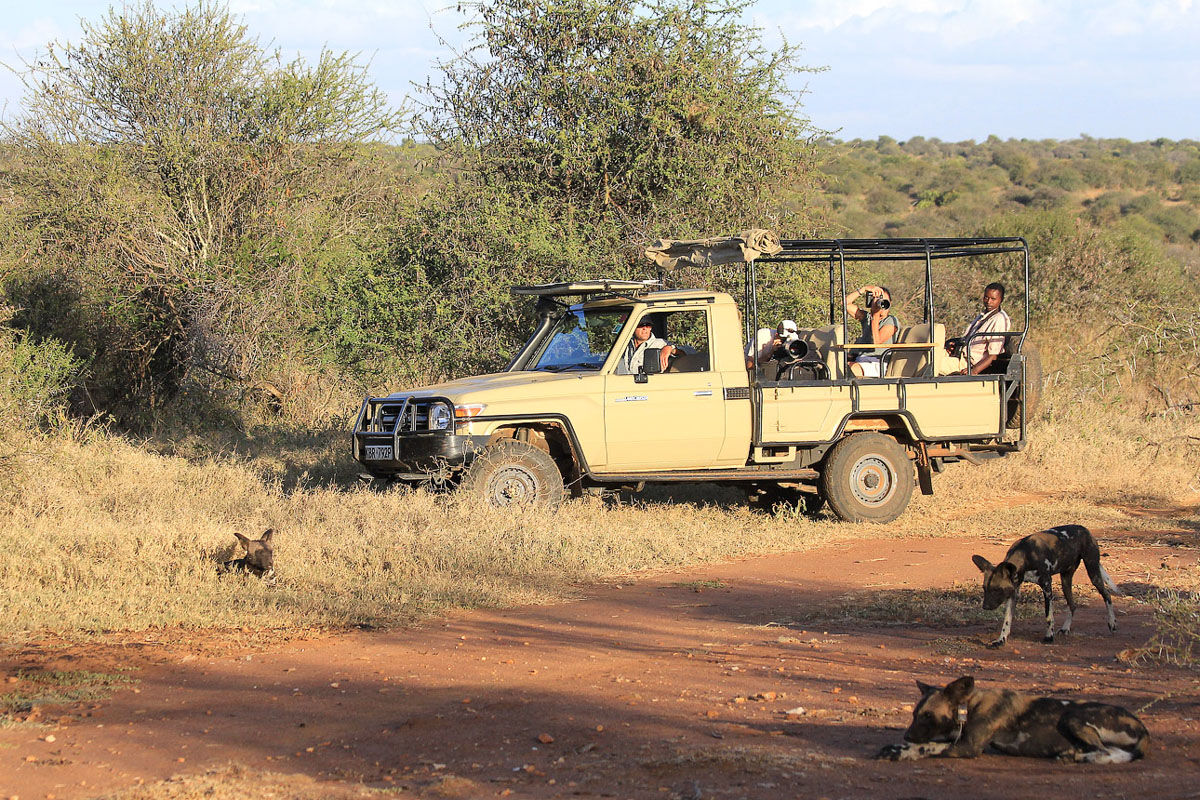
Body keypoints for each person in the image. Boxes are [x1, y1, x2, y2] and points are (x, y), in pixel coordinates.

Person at [945, 282, 1011, 375]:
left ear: (1001, 300)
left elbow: (993, 355)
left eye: (993, 299)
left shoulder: (999, 319)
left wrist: (974, 371)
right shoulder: (983, 315)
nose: (988, 302)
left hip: (967, 363)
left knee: (932, 363)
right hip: (960, 356)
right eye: (986, 297)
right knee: (931, 354)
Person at [846, 284, 898, 377]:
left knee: (846, 369)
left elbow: (877, 342)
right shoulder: (867, 318)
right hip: (859, 360)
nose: (881, 304)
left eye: (885, 301)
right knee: (835, 364)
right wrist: (863, 289)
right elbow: (845, 304)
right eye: (878, 299)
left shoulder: (891, 320)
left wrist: (875, 315)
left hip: (876, 363)